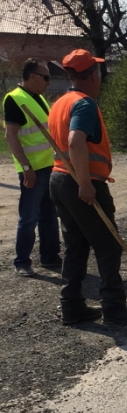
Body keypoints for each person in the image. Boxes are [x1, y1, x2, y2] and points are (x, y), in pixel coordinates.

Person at [48, 49, 127, 327]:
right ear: (92, 75)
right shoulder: (84, 104)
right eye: (98, 72)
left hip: (58, 180)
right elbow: (75, 141)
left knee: (76, 245)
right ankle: (114, 308)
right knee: (108, 246)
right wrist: (84, 183)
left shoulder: (60, 102)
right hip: (82, 182)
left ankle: (72, 306)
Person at [2, 58, 62, 277]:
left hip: (48, 165)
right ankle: (22, 261)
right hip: (32, 170)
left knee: (48, 214)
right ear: (33, 76)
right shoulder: (15, 100)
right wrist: (26, 167)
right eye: (46, 77)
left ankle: (49, 256)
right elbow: (11, 136)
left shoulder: (38, 99)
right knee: (28, 216)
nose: (49, 82)